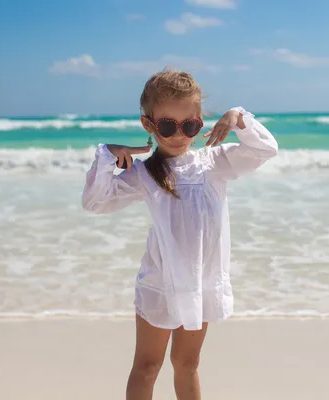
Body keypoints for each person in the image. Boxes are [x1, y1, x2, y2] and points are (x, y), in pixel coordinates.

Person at [81, 69, 278, 400]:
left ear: (200, 123)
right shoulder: (143, 173)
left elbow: (265, 150)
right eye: (168, 125)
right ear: (149, 124)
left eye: (190, 125)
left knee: (187, 364)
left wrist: (238, 117)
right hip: (161, 285)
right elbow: (96, 202)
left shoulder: (215, 163)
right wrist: (107, 156)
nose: (179, 134)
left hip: (202, 283)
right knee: (147, 367)